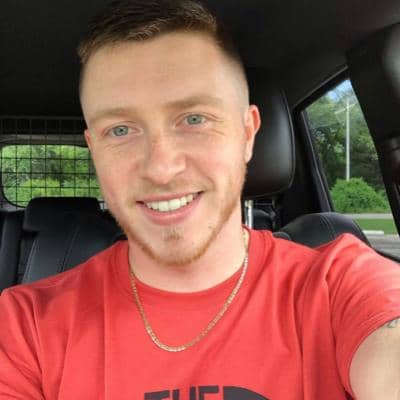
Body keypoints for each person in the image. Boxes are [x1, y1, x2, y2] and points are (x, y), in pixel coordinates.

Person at [1, 0, 400, 399]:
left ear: (247, 134)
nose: (161, 168)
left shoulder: (341, 284)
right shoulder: (25, 325)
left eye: (194, 119)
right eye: (120, 130)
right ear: (95, 151)